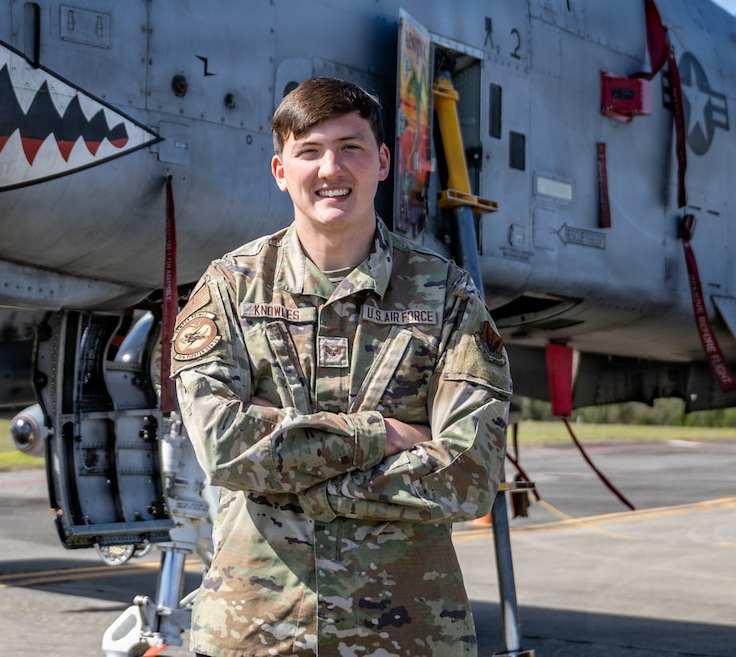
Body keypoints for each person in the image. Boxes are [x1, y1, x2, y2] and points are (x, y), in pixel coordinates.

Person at [172, 77, 512, 656]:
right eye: (309, 151)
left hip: (407, 634)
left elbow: (470, 476)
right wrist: (381, 436)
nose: (332, 168)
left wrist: (288, 474)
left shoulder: (445, 296)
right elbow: (223, 447)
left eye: (351, 147)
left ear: (381, 162)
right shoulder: (229, 288)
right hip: (255, 630)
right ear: (281, 171)